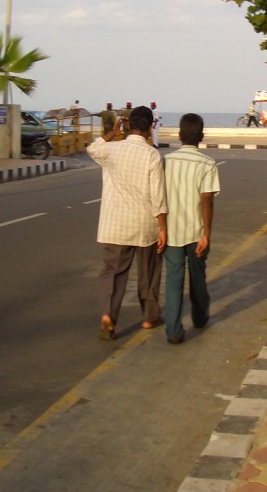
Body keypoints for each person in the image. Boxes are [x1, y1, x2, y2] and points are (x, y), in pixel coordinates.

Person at [87, 105, 167, 340]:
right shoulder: (152, 154)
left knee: (113, 272)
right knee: (149, 272)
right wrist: (163, 227)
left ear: (129, 125)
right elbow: (158, 197)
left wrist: (114, 131)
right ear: (150, 128)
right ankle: (150, 317)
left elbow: (92, 148)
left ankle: (108, 316)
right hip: (144, 226)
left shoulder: (111, 150)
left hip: (115, 225)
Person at [163, 114, 220, 344]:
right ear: (202, 137)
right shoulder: (207, 164)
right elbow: (206, 199)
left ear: (179, 135)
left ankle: (173, 331)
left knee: (173, 280)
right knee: (198, 278)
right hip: (197, 233)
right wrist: (207, 233)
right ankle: (199, 316)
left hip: (171, 232)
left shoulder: (166, 161)